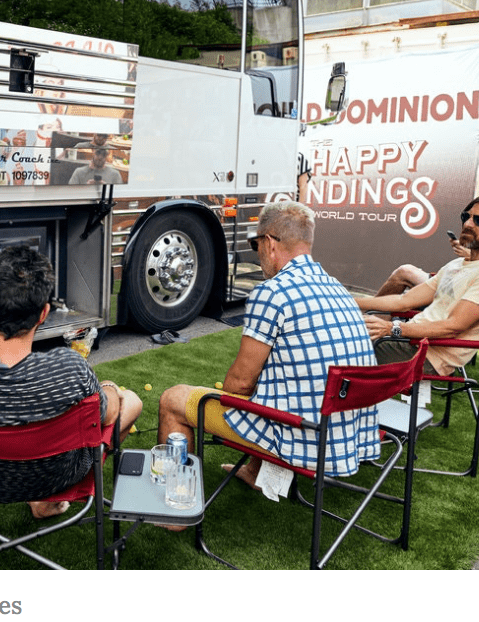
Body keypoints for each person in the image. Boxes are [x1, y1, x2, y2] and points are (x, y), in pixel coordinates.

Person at [157, 201, 379, 493]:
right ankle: (254, 472)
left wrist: (219, 400)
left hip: (300, 435)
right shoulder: (338, 287)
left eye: (255, 243)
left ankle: (174, 506)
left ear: (270, 243)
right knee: (273, 385)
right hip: (347, 434)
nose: (257, 251)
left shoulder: (272, 291)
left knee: (174, 400)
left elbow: (240, 383)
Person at [0, 245, 142, 519]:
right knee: (130, 401)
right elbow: (108, 415)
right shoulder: (69, 369)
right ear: (43, 313)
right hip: (57, 478)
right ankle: (45, 502)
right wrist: (107, 386)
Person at [356, 192, 479, 376]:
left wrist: (392, 328)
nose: (467, 224)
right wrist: (349, 300)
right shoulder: (459, 264)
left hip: (426, 354)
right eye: (466, 217)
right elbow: (403, 302)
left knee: (338, 347)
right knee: (339, 338)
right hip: (411, 341)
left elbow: (452, 327)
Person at [374, 186, 479, 296]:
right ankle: (373, 323)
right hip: (460, 282)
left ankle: (366, 323)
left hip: (466, 292)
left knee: (405, 273)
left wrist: (471, 256)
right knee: (404, 287)